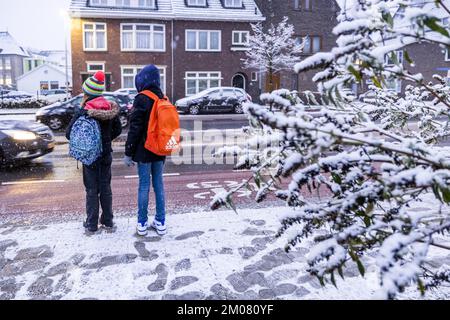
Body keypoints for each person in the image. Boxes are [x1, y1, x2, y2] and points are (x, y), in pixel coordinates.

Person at [66, 71, 122, 233]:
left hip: (89, 156)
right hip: (105, 154)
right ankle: (108, 220)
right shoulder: (109, 107)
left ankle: (91, 223)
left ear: (87, 92)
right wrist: (105, 139)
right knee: (105, 187)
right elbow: (118, 129)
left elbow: (69, 134)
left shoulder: (84, 110)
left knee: (91, 189)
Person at [124, 65, 167, 237]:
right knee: (159, 185)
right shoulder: (163, 97)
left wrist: (128, 152)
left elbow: (135, 128)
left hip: (144, 150)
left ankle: (142, 223)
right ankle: (161, 221)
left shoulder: (142, 98)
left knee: (143, 186)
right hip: (160, 150)